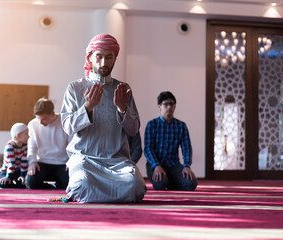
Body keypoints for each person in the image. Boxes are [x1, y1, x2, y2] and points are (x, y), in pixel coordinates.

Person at [61, 33, 147, 203]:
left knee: (135, 185)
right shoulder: (75, 88)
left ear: (115, 58)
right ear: (90, 58)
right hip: (85, 159)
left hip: (117, 161)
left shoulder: (123, 89)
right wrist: (87, 107)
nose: (103, 63)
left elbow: (133, 129)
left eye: (109, 57)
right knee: (82, 184)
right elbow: (67, 127)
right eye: (98, 57)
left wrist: (122, 108)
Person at [144, 91, 198, 191]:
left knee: (191, 184)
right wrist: (156, 165)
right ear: (159, 106)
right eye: (166, 104)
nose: (169, 107)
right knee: (160, 185)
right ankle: (169, 182)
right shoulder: (152, 125)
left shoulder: (181, 126)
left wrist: (187, 166)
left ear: (175, 106)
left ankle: (171, 181)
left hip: (174, 164)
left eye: (172, 104)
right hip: (156, 164)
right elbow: (148, 149)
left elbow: (187, 148)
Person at [26, 98, 70, 189]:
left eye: (44, 119)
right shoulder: (32, 124)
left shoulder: (65, 122)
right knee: (31, 182)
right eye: (38, 118)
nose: (40, 122)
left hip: (63, 164)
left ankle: (58, 184)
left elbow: (72, 145)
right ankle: (54, 186)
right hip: (42, 163)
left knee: (71, 184)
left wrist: (71, 161)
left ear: (53, 114)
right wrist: (32, 162)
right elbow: (32, 145)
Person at [0, 123, 29, 188]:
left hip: (18, 171)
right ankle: (13, 184)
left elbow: (24, 162)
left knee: (23, 184)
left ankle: (17, 185)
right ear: (18, 136)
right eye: (26, 134)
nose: (28, 136)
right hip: (7, 170)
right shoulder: (9, 146)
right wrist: (8, 177)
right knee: (3, 184)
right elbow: (11, 163)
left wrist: (22, 175)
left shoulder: (25, 146)